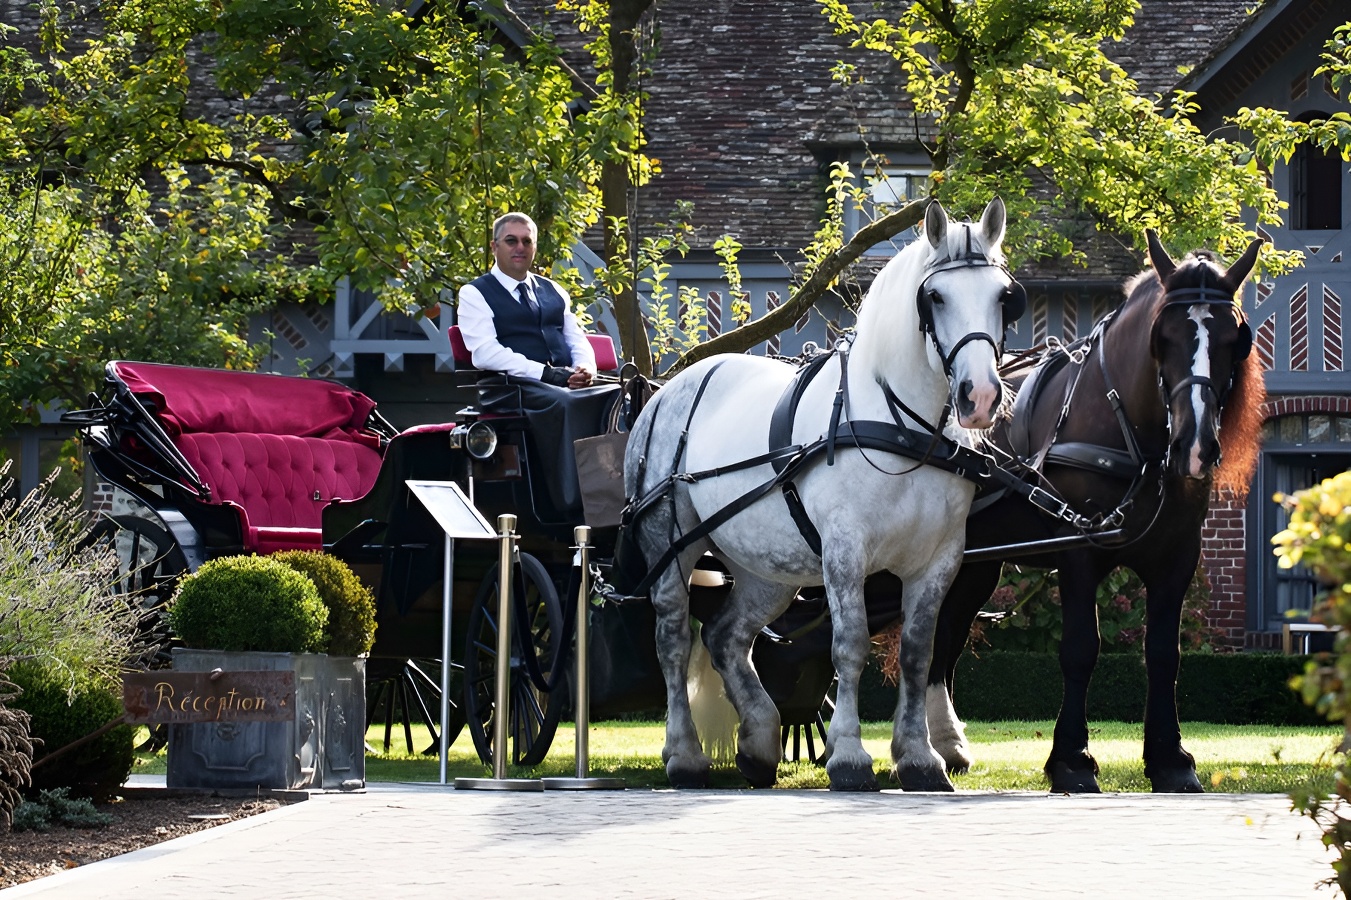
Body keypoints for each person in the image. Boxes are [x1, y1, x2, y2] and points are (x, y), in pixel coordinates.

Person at [456, 212, 596, 388]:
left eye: (527, 241)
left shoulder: (554, 290)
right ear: (494, 247)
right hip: (514, 389)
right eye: (511, 241)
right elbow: (485, 353)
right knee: (577, 405)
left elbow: (576, 340)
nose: (520, 247)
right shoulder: (474, 293)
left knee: (624, 398)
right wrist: (545, 374)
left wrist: (584, 368)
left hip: (566, 386)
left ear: (534, 248)